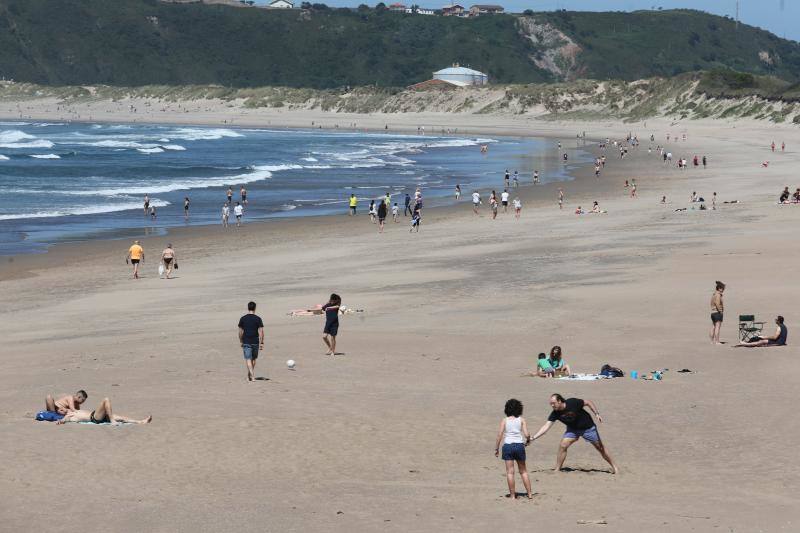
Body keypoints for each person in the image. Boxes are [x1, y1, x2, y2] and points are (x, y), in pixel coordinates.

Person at [530, 394, 618, 474]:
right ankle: (557, 469)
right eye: (551, 404)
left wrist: (596, 414)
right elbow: (546, 426)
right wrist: (533, 438)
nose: (552, 405)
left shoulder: (572, 402)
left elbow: (588, 402)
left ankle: (615, 467)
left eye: (554, 403)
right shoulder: (555, 413)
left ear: (560, 401)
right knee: (563, 445)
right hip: (573, 430)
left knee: (600, 448)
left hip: (587, 428)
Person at [493, 399, 533, 500]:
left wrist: (496, 448)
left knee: (510, 472)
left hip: (508, 446)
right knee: (523, 471)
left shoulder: (505, 420)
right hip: (519, 446)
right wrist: (528, 439)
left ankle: (512, 496)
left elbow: (499, 435)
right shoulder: (521, 420)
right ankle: (529, 494)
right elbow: (526, 434)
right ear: (519, 409)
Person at [56, 397, 151, 426]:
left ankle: (140, 421)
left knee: (122, 418)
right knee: (106, 400)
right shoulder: (69, 415)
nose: (62, 409)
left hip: (98, 415)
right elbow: (64, 420)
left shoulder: (74, 410)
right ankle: (112, 421)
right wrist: (61, 421)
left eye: (62, 408)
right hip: (94, 417)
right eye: (60, 410)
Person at [238, 301, 265, 382]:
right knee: (253, 359)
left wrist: (240, 340)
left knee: (248, 359)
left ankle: (250, 376)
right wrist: (262, 342)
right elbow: (261, 332)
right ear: (255, 308)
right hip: (255, 341)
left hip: (246, 341)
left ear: (248, 308)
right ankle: (251, 376)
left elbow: (240, 332)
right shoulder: (258, 318)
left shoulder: (243, 318)